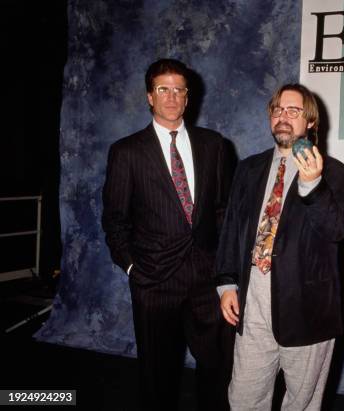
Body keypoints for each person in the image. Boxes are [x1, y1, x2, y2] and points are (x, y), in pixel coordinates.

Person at [101, 58, 233, 411]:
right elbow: (115, 221)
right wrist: (133, 269)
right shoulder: (126, 152)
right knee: (157, 378)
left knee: (219, 370)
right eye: (163, 89)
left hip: (207, 280)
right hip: (154, 281)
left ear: (188, 98)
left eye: (179, 90)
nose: (172, 97)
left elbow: (223, 213)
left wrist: (226, 274)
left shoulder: (214, 145)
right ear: (149, 96)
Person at [214, 83, 344, 410]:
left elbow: (338, 230)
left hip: (308, 309)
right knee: (244, 398)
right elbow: (231, 228)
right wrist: (226, 283)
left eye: (293, 111)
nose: (283, 117)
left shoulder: (336, 174)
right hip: (253, 302)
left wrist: (312, 185)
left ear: (311, 122)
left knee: (302, 404)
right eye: (277, 110)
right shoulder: (248, 168)